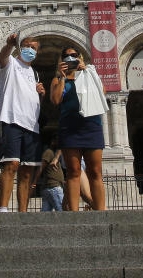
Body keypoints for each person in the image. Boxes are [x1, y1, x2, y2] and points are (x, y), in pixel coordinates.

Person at [49, 46, 106, 211]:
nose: (70, 58)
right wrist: (62, 77)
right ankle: (73, 215)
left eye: (74, 55)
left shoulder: (89, 73)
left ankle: (101, 212)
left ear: (80, 57)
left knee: (95, 171)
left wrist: (86, 70)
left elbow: (102, 93)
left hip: (91, 125)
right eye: (66, 56)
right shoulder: (59, 79)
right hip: (70, 128)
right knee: (73, 172)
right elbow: (56, 100)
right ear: (61, 60)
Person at [0, 33, 46, 212]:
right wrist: (9, 44)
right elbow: (2, 56)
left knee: (27, 171)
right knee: (11, 164)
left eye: (34, 48)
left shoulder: (35, 74)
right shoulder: (11, 63)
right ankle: (3, 209)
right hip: (11, 120)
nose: (30, 50)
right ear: (20, 48)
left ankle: (22, 212)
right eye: (27, 46)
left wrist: (40, 95)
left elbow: (34, 103)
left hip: (32, 126)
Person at [37, 141, 64, 212]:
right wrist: (34, 182)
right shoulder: (49, 152)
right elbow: (40, 168)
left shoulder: (55, 154)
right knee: (62, 212)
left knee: (45, 214)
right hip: (54, 187)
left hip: (50, 187)